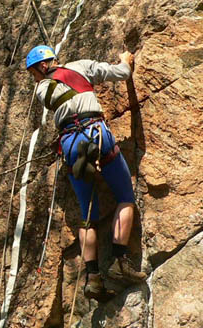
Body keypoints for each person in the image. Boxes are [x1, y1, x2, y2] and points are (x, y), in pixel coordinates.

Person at [26, 45, 147, 301]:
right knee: (125, 197)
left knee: (86, 216)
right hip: (96, 133)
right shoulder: (80, 66)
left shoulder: (41, 90)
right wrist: (125, 60)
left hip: (69, 145)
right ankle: (119, 262)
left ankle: (92, 278)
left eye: (33, 73)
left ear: (42, 67)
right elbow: (122, 73)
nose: (33, 79)